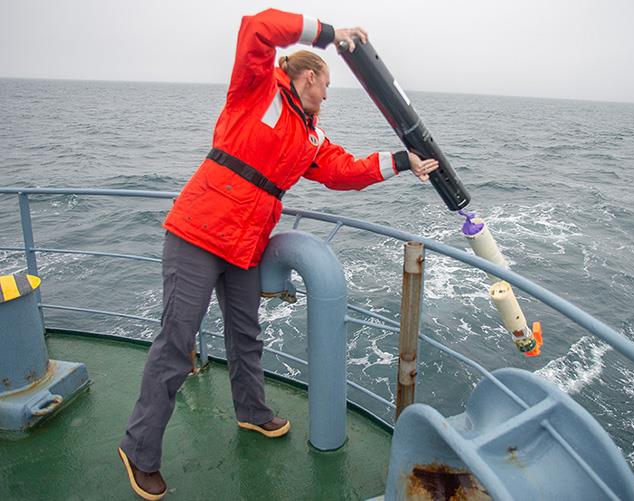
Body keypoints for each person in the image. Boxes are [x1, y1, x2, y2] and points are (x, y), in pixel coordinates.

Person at [117, 8, 438, 501]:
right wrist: (332, 34)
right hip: (199, 234)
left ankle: (252, 411)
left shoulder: (310, 135)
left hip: (246, 245)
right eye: (327, 84)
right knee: (176, 342)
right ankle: (139, 448)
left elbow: (341, 170)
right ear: (308, 75)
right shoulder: (257, 87)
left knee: (247, 335)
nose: (329, 94)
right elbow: (257, 26)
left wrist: (399, 161)